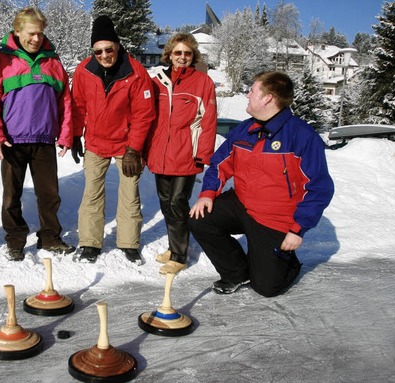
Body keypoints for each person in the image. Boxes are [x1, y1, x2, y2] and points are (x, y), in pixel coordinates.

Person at [188, 71, 334, 297]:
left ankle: (286, 261)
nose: (247, 95)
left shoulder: (302, 136)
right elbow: (219, 164)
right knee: (201, 218)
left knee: (267, 288)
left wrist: (297, 229)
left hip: (274, 218)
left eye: (253, 90)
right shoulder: (245, 129)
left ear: (268, 98)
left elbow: (319, 188)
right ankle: (236, 272)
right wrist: (207, 193)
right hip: (242, 204)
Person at [0, 6, 75, 261]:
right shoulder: (2, 60)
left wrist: (66, 135)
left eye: (40, 34)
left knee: (49, 194)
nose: (36, 39)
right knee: (12, 196)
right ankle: (15, 240)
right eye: (31, 34)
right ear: (17, 31)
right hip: (13, 141)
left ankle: (50, 237)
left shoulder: (53, 62)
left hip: (44, 140)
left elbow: (65, 100)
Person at [71, 15, 156, 264]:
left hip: (126, 144)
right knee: (91, 193)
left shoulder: (136, 72)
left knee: (129, 193)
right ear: (93, 51)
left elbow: (144, 114)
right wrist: (76, 134)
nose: (104, 55)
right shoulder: (84, 71)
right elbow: (77, 105)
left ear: (117, 46)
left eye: (109, 49)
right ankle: (89, 243)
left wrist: (134, 149)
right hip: (96, 142)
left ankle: (129, 243)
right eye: (98, 51)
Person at [145, 33, 217, 275]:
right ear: (169, 55)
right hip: (160, 153)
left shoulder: (202, 82)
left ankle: (179, 255)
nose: (182, 57)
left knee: (178, 202)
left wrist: (203, 154)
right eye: (178, 53)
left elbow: (209, 121)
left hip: (186, 152)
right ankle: (173, 247)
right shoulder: (157, 80)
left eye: (187, 53)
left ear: (193, 55)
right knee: (166, 204)